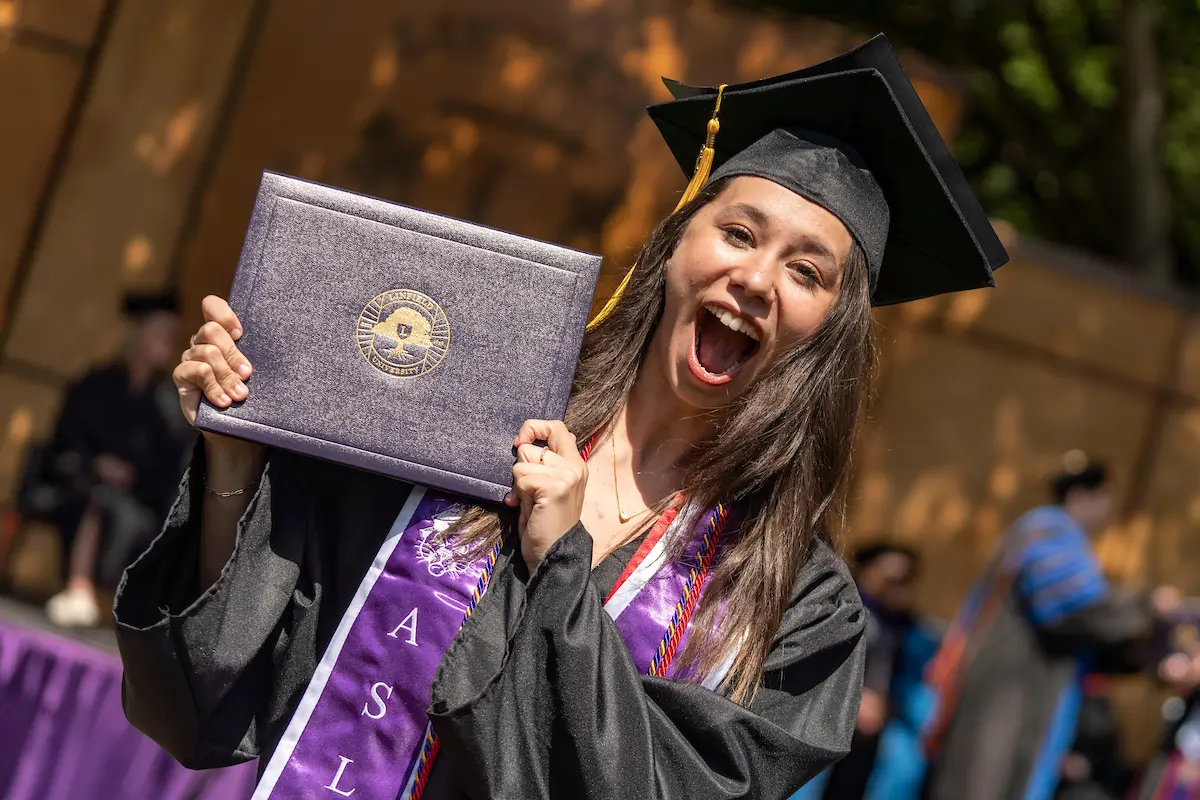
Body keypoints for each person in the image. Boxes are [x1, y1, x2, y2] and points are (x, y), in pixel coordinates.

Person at [114, 36, 1006, 799]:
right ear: (674, 247)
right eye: (737, 233)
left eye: (808, 273)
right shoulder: (466, 418)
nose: (759, 280)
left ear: (830, 337)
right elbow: (227, 677)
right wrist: (239, 452)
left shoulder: (795, 605)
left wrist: (561, 563)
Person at [924, 452, 1179, 800]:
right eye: (1107, 500)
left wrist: (1145, 656)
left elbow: (1085, 638)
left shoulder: (1067, 540)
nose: (1109, 514)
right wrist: (1147, 606)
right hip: (1007, 689)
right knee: (982, 783)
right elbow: (1070, 608)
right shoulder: (1046, 529)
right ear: (1082, 495)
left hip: (1031, 690)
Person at [34, 292, 191, 627]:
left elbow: (170, 465)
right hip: (82, 480)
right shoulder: (97, 383)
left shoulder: (167, 403)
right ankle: (80, 588)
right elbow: (67, 435)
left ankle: (97, 597)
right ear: (139, 333)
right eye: (159, 331)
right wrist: (95, 463)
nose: (166, 341)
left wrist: (131, 475)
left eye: (171, 334)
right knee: (94, 498)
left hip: (136, 494)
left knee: (125, 513)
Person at [791, 542, 941, 800]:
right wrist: (852, 700)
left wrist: (891, 706)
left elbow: (923, 702)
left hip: (878, 751)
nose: (899, 588)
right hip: (827, 731)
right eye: (891, 578)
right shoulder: (831, 616)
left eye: (907, 579)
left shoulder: (916, 636)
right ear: (866, 573)